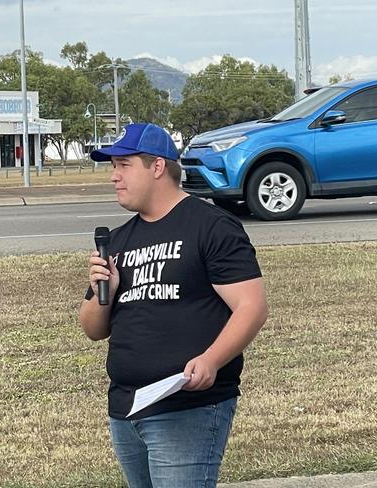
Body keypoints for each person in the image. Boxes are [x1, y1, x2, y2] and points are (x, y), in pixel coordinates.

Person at [79, 123, 268, 488]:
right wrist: (104, 288)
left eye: (124, 165)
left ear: (157, 167)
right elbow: (92, 329)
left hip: (186, 408)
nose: (113, 176)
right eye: (112, 167)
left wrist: (211, 360)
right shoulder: (119, 239)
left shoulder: (211, 226)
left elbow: (252, 307)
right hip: (126, 408)